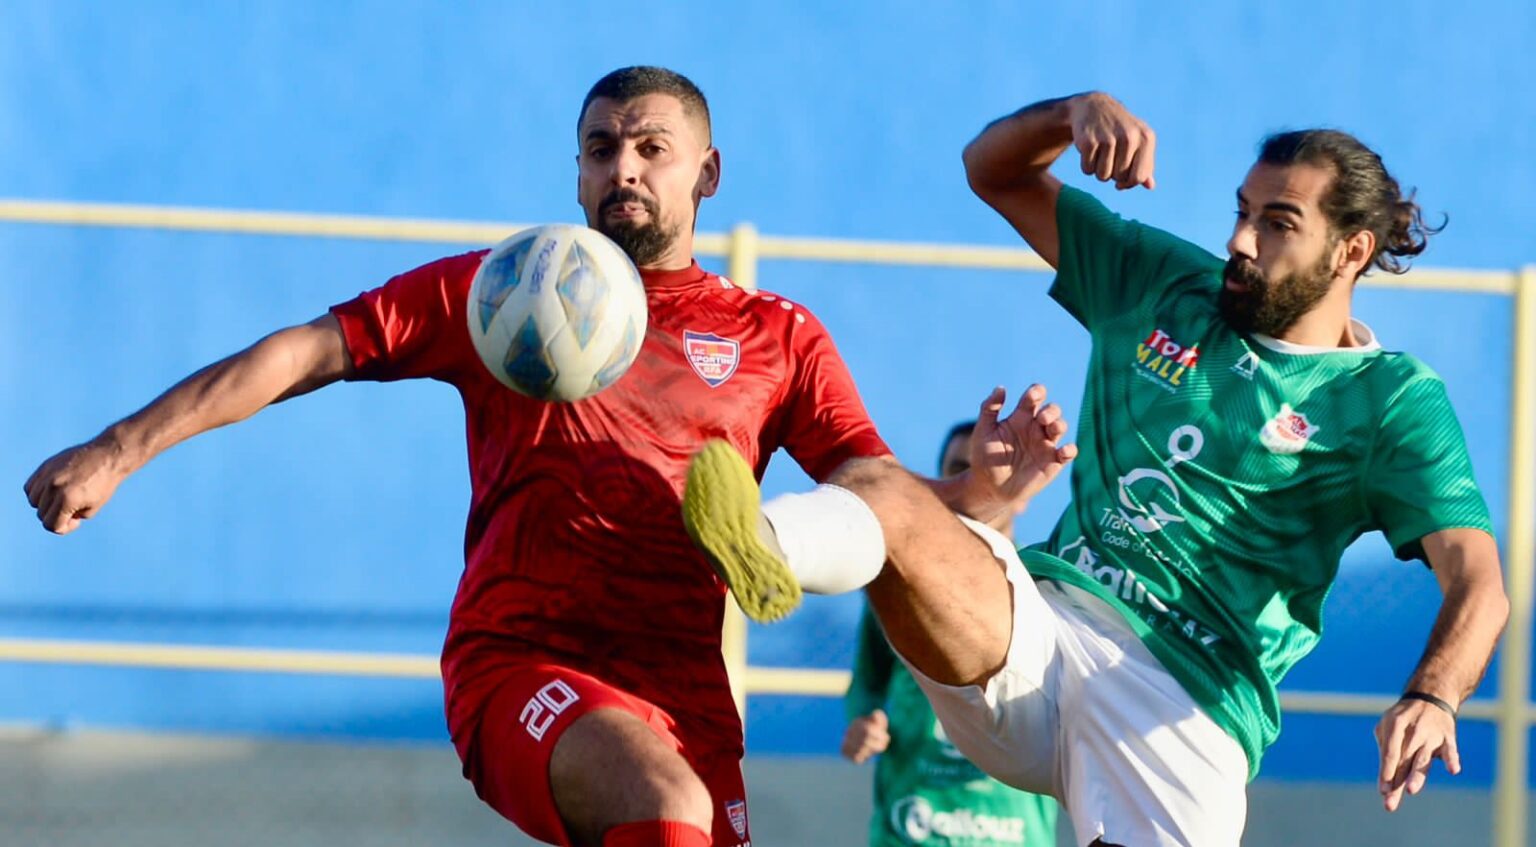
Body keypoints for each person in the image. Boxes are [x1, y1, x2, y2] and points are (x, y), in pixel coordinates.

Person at [22, 66, 910, 847]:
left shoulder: (776, 336)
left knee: (675, 805)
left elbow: (877, 496)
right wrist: (118, 448)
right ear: (577, 171)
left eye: (651, 148)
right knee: (661, 798)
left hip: (689, 698)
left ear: (707, 173)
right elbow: (306, 351)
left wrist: (954, 501)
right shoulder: (505, 292)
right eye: (600, 149)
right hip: (521, 662)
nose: (623, 169)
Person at [681, 91, 1509, 846]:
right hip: (1037, 633)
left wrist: (1432, 694)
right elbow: (993, 172)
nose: (1239, 240)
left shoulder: (1391, 399)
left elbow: (1479, 582)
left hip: (1184, 705)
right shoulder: (1164, 282)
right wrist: (1071, 114)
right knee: (880, 488)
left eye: (1277, 223)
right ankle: (759, 545)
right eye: (1242, 211)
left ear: (1351, 251)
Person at [842, 420, 1060, 847]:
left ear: (1022, 490)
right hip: (910, 832)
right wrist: (863, 722)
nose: (977, 481)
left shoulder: (1048, 591)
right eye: (959, 469)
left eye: (994, 468)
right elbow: (867, 683)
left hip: (1013, 836)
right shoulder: (898, 581)